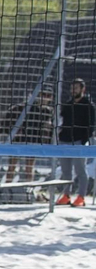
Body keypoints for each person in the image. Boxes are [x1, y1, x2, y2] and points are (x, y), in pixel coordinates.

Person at [0, 87, 54, 184]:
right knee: (12, 167)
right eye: (42, 95)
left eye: (48, 96)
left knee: (29, 168)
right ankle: (7, 189)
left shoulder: (48, 112)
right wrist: (6, 130)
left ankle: (29, 191)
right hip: (19, 141)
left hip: (33, 142)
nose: (44, 98)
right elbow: (9, 115)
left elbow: (49, 129)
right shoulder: (26, 106)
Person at [57, 77, 93, 206]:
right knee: (66, 171)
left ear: (82, 89)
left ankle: (81, 197)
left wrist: (84, 141)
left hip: (79, 142)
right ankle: (66, 196)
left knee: (80, 171)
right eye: (72, 88)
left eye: (76, 88)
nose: (73, 90)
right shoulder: (67, 105)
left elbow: (91, 126)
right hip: (64, 141)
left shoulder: (88, 106)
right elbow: (61, 122)